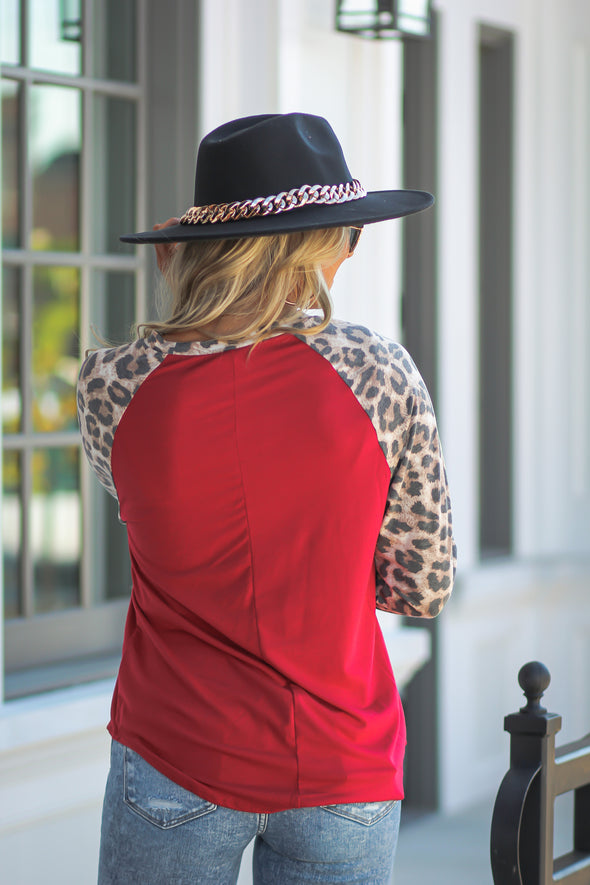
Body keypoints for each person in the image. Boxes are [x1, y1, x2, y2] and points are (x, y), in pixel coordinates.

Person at [78, 112, 456, 885]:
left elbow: (167, 521)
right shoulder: (378, 372)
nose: (350, 252)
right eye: (345, 235)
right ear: (311, 251)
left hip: (175, 754)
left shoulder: (111, 384)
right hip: (340, 761)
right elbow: (423, 586)